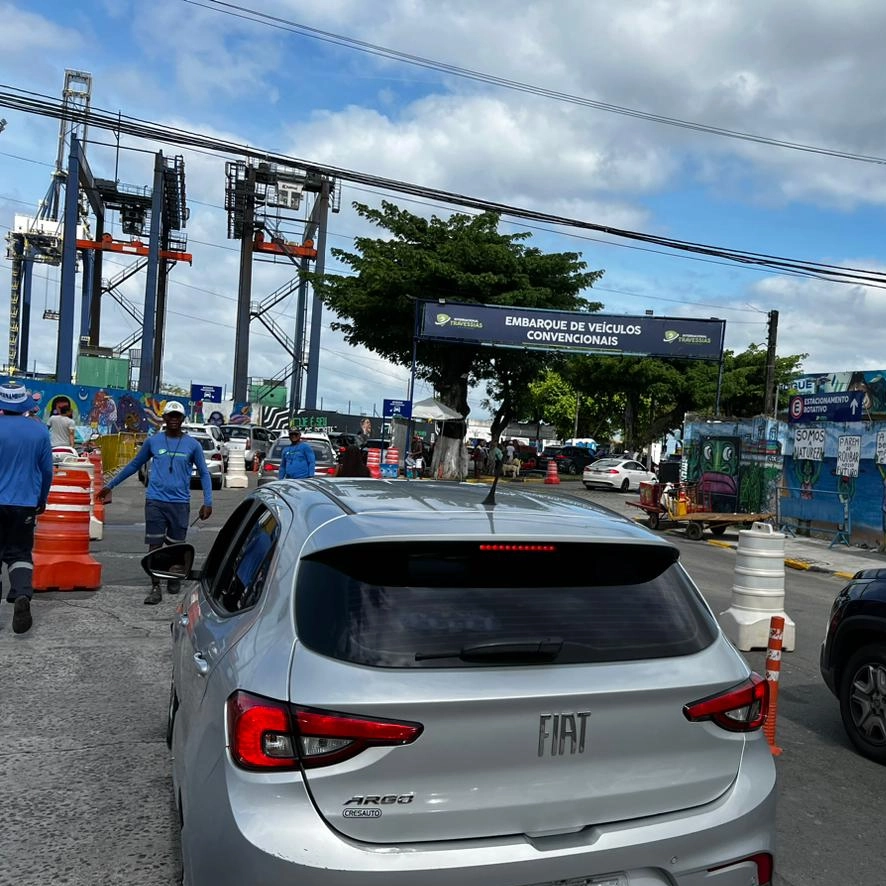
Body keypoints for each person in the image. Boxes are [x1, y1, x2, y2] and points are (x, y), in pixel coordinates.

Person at [97, 401, 212, 605]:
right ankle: (155, 586)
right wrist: (110, 485)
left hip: (180, 503)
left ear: (183, 420)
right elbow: (134, 465)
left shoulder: (192, 445)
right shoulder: (153, 442)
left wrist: (208, 501)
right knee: (155, 544)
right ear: (164, 419)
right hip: (155, 501)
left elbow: (204, 473)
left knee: (176, 545)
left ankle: (173, 578)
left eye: (178, 416)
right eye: (170, 416)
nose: (174, 420)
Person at [0, 382, 53, 633]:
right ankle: (21, 594)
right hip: (24, 503)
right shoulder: (39, 431)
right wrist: (41, 499)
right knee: (20, 553)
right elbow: (46, 472)